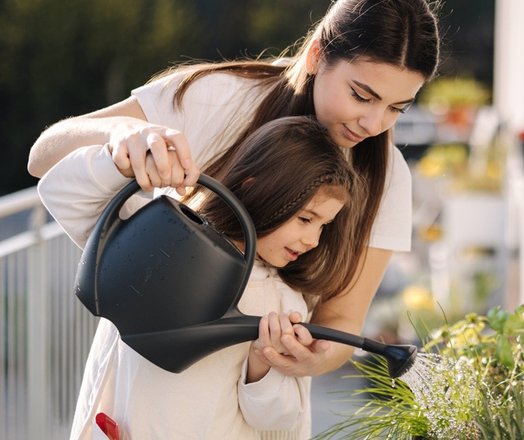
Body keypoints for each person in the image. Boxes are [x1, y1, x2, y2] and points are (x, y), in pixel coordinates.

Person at [28, 0, 441, 381]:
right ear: (317, 54)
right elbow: (42, 157)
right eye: (361, 95)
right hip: (142, 384)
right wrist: (124, 134)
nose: (373, 124)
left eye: (395, 108)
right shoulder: (214, 97)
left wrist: (316, 358)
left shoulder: (388, 178)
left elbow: (343, 321)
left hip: (258, 397)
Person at [38, 115, 362, 439]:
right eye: (306, 218)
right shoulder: (163, 236)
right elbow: (59, 191)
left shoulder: (282, 300)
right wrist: (123, 162)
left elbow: (278, 417)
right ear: (257, 188)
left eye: (323, 225)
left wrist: (262, 363)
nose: (313, 240)